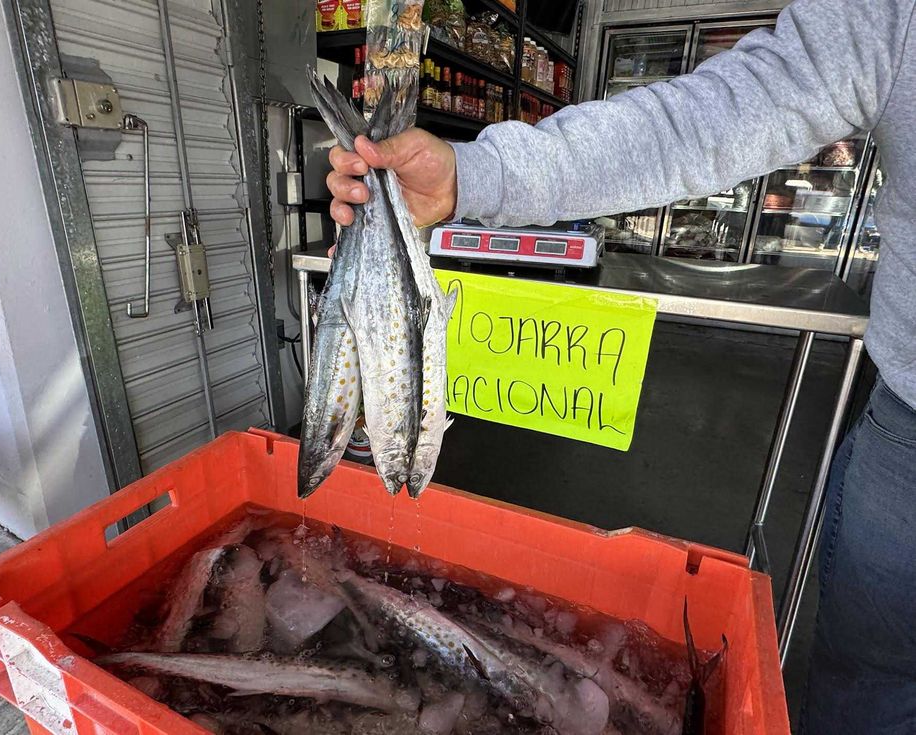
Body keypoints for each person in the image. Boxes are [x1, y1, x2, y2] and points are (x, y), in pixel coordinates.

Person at [323, 0, 916, 732]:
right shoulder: (889, 16)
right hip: (907, 426)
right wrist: (468, 176)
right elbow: (696, 124)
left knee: (874, 677)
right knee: (871, 681)